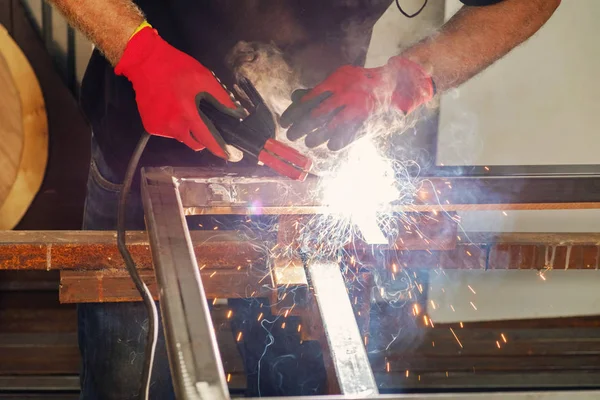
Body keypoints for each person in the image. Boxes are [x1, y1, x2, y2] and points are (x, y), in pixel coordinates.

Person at [47, 0, 561, 398]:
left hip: (305, 172)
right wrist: (142, 54)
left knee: (301, 372)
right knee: (130, 375)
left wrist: (407, 79)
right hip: (142, 144)